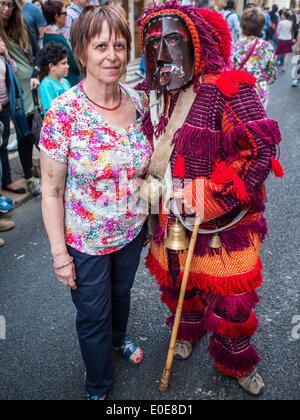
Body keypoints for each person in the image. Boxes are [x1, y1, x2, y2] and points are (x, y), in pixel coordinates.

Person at [137, 1, 284, 396]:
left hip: (224, 221)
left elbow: (260, 148)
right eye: (153, 41)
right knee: (178, 279)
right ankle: (187, 331)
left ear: (197, 41)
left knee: (232, 295)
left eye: (172, 38)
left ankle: (234, 357)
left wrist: (214, 194)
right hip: (172, 215)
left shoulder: (228, 87)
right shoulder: (152, 94)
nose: (162, 51)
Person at [40, 5, 152, 400]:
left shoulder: (140, 102)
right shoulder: (63, 113)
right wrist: (59, 254)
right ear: (80, 51)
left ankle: (119, 340)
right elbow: (51, 191)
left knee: (121, 297)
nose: (112, 55)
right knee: (92, 315)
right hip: (85, 242)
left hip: (131, 231)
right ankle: (99, 384)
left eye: (119, 45)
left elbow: (147, 170)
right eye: (100, 45)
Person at [1, 0, 41, 196]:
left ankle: (29, 176)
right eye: (2, 4)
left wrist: (35, 73)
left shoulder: (21, 25)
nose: (6, 9)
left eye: (10, 5)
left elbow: (37, 50)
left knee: (24, 132)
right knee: (3, 136)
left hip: (24, 85)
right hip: (4, 85)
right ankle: (6, 180)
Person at [233, 7, 277, 110]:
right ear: (261, 27)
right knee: (258, 125)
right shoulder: (267, 47)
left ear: (242, 24)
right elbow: (272, 75)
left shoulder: (235, 46)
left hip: (238, 96)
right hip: (259, 95)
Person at [0, 14, 22, 193]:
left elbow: (13, 68)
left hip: (5, 102)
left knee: (3, 143)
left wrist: (6, 54)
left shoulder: (1, 41)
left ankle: (6, 180)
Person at [42, 0, 82, 87]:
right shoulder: (57, 38)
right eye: (65, 13)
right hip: (69, 80)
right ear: (57, 17)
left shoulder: (47, 33)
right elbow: (73, 63)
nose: (66, 16)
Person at [39, 41, 71, 115]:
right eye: (63, 63)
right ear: (51, 66)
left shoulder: (65, 81)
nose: (67, 66)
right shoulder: (46, 85)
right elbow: (51, 112)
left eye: (67, 62)